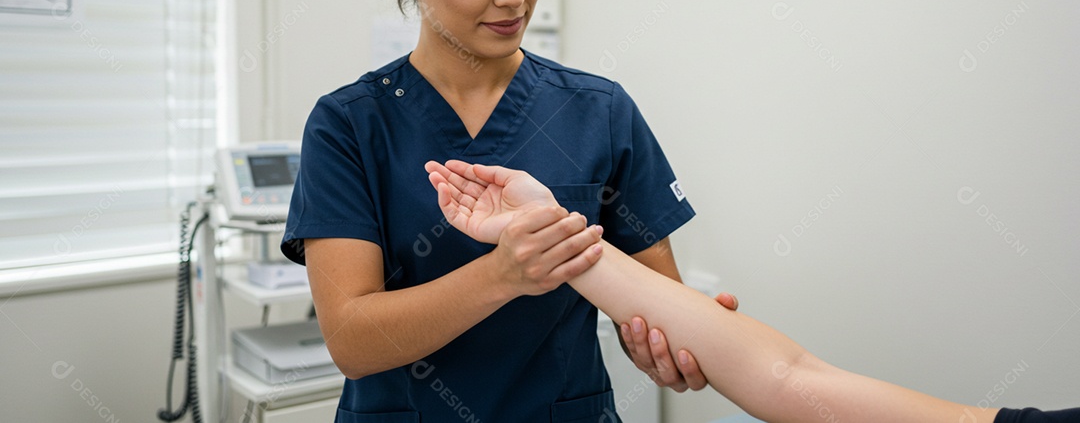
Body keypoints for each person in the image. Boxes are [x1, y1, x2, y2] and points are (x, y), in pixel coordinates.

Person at [280, 0, 727, 420]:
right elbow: (353, 342)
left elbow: (649, 300)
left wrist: (667, 342)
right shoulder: (349, 125)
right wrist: (504, 273)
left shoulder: (600, 110)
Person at [426, 159, 1080, 423]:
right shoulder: (354, 118)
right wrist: (552, 238)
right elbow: (788, 375)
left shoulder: (602, 105)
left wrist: (545, 245)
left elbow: (786, 376)